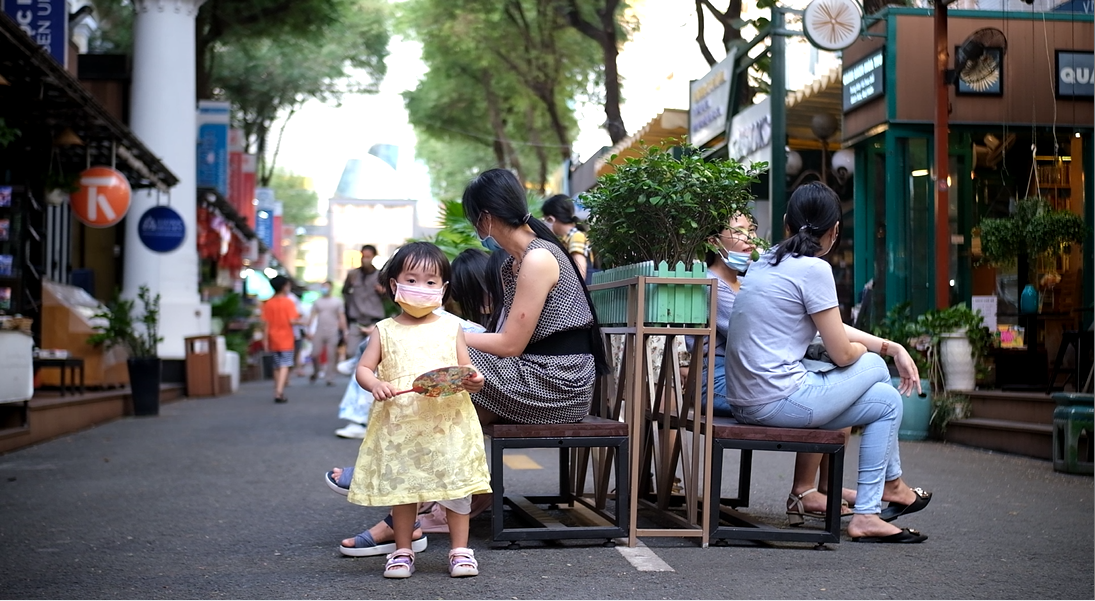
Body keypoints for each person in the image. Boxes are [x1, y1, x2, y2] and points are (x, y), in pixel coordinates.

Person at [329, 168, 608, 553]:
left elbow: (510, 344)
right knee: (448, 405)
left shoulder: (538, 260)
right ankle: (400, 515)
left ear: (486, 217)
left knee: (445, 357)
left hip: (558, 382)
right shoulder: (516, 261)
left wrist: (440, 334)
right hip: (532, 375)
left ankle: (387, 477)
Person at [725, 181, 933, 543]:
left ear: (787, 222)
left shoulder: (765, 263)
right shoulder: (813, 269)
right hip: (778, 401)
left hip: (747, 401)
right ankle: (892, 484)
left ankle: (868, 513)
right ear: (835, 231)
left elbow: (830, 329)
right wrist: (881, 353)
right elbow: (840, 350)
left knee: (886, 402)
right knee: (873, 369)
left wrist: (891, 346)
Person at [690, 213, 855, 523]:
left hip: (746, 373)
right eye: (737, 232)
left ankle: (823, 488)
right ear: (713, 242)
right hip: (720, 380)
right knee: (827, 399)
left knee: (836, 392)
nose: (748, 239)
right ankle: (804, 492)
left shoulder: (749, 279)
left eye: (751, 230)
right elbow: (757, 332)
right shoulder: (712, 285)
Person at [348, 241, 490, 579]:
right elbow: (364, 369)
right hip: (402, 422)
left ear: (443, 289)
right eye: (412, 280)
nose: (421, 288)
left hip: (448, 421)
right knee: (404, 489)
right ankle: (402, 550)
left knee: (455, 488)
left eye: (431, 282)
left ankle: (460, 550)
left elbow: (466, 369)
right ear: (394, 284)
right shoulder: (384, 330)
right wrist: (375, 384)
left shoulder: (451, 327)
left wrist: (475, 381)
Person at [261, 276, 301, 403]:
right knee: (285, 364)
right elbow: (292, 320)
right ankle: (279, 391)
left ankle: (277, 390)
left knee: (276, 365)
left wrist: (265, 339)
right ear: (284, 286)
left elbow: (265, 324)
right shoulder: (288, 302)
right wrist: (302, 322)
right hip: (286, 338)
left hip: (273, 337)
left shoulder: (268, 303)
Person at [342, 244, 387, 354]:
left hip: (374, 321)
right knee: (351, 352)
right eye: (363, 256)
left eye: (368, 257)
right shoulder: (353, 275)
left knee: (373, 354)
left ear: (373, 257)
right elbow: (345, 293)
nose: (365, 260)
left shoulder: (380, 275)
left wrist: (383, 292)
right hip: (356, 321)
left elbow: (390, 298)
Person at [541, 194, 592, 282]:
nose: (545, 223)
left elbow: (580, 273)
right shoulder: (565, 240)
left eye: (545, 219)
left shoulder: (576, 237)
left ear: (551, 219)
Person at [307, 281, 347, 387]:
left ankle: (329, 377)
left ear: (331, 288)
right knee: (315, 353)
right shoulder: (317, 302)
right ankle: (316, 371)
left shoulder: (337, 301)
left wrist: (345, 330)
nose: (324, 289)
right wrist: (308, 330)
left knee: (331, 354)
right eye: (323, 287)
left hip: (332, 330)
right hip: (319, 330)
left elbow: (341, 316)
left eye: (326, 287)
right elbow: (312, 316)